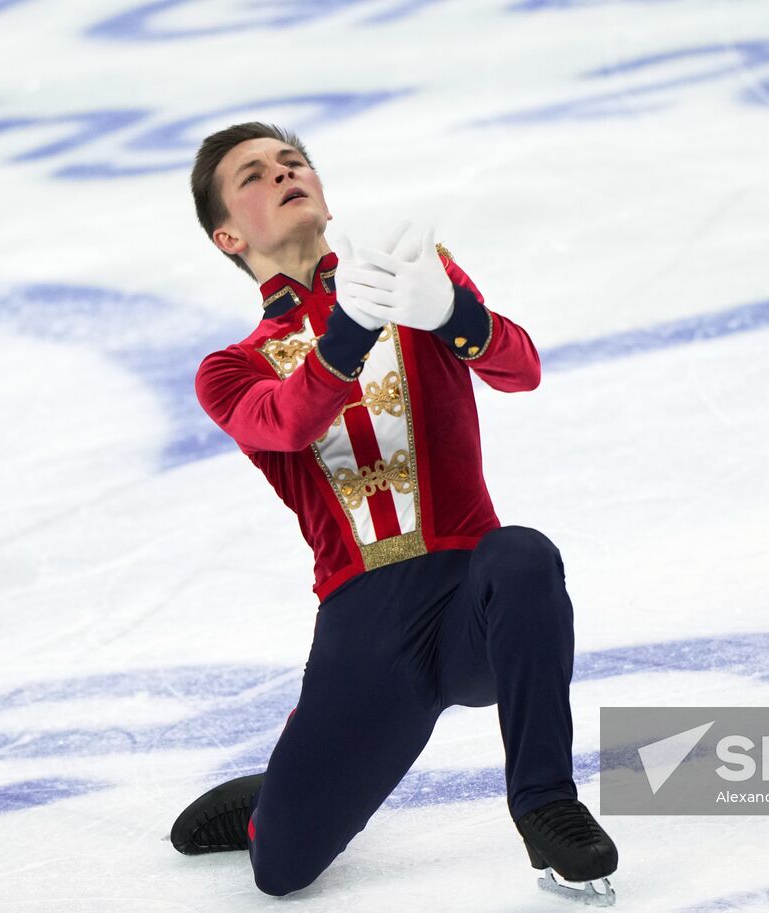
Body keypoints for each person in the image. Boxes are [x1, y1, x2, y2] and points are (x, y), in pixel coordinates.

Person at [168, 121, 618, 905]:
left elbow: (522, 369)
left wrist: (452, 312)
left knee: (524, 553)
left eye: (293, 161)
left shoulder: (420, 282)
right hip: (365, 630)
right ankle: (272, 802)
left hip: (471, 602)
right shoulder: (230, 370)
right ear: (227, 235)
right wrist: (352, 327)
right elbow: (288, 422)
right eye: (254, 174)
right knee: (281, 870)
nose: (282, 173)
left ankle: (545, 802)